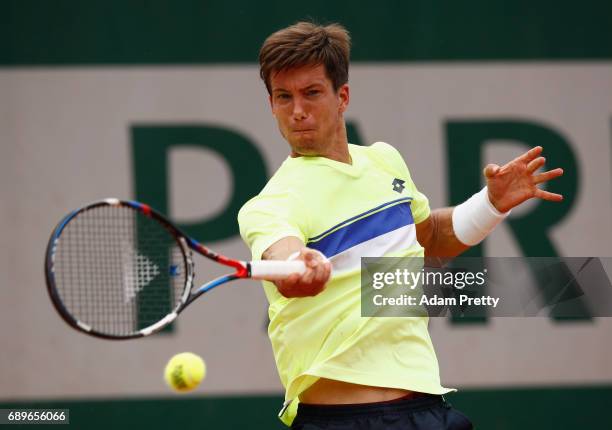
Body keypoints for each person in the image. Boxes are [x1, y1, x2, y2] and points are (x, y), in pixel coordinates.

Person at [238, 21, 563, 430]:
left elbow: (431, 241)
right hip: (342, 421)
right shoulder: (271, 203)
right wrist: (298, 266)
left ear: (343, 97)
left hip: (429, 409)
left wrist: (491, 203)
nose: (297, 110)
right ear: (271, 105)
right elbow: (283, 258)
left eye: (311, 93)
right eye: (283, 97)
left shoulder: (384, 161)